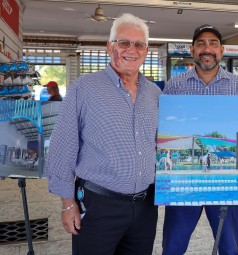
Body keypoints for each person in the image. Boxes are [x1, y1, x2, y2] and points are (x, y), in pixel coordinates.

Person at [45, 13, 162, 255]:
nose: (132, 49)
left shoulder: (154, 94)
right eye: (124, 42)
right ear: (110, 47)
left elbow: (161, 146)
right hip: (98, 205)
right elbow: (62, 148)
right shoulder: (84, 88)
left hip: (145, 207)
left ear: (146, 51)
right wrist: (68, 204)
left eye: (139, 44)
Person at [162, 24, 238, 255]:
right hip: (183, 183)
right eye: (201, 44)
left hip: (227, 185)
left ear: (221, 50)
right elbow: (164, 128)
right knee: (173, 247)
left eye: (213, 44)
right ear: (192, 50)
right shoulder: (174, 86)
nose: (207, 49)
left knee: (230, 247)